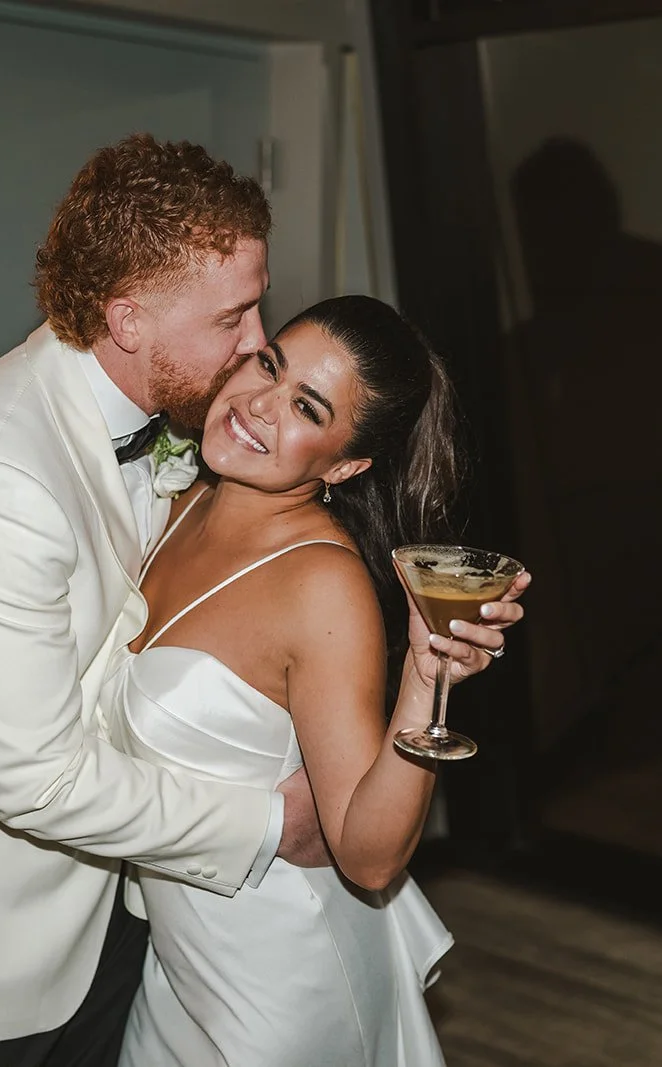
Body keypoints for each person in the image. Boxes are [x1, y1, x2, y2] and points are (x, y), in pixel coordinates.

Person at [0, 135, 329, 1067]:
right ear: (127, 319)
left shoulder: (153, 420)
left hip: (112, 919)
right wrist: (270, 823)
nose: (259, 341)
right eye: (235, 316)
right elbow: (40, 780)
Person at [104, 294, 532, 1066]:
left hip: (275, 989)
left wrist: (424, 678)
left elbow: (368, 856)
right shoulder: (179, 502)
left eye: (305, 406)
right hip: (173, 972)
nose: (258, 405)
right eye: (269, 364)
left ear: (346, 464)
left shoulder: (320, 587)